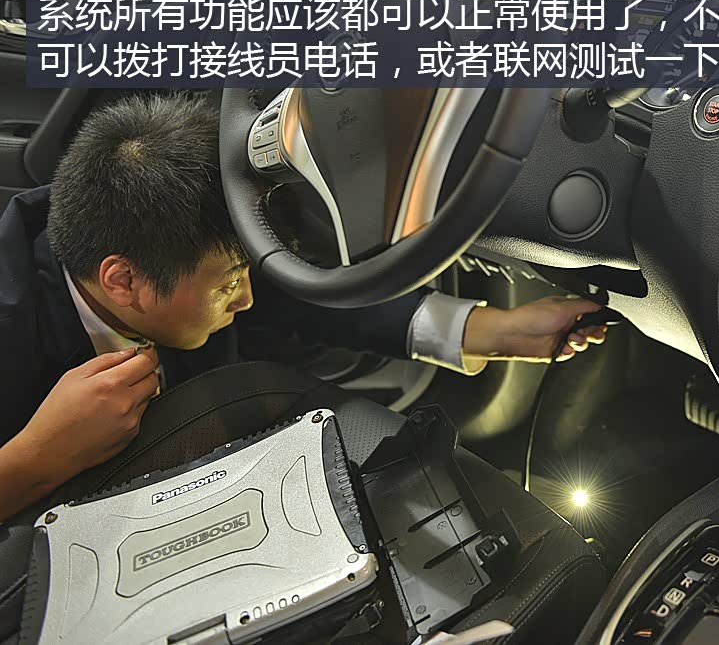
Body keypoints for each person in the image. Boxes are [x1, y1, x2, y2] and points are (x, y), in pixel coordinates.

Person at [0, 93, 607, 521]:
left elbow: (293, 300)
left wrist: (494, 330)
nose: (246, 296)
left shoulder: (168, 243)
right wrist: (35, 459)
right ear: (124, 282)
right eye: (229, 283)